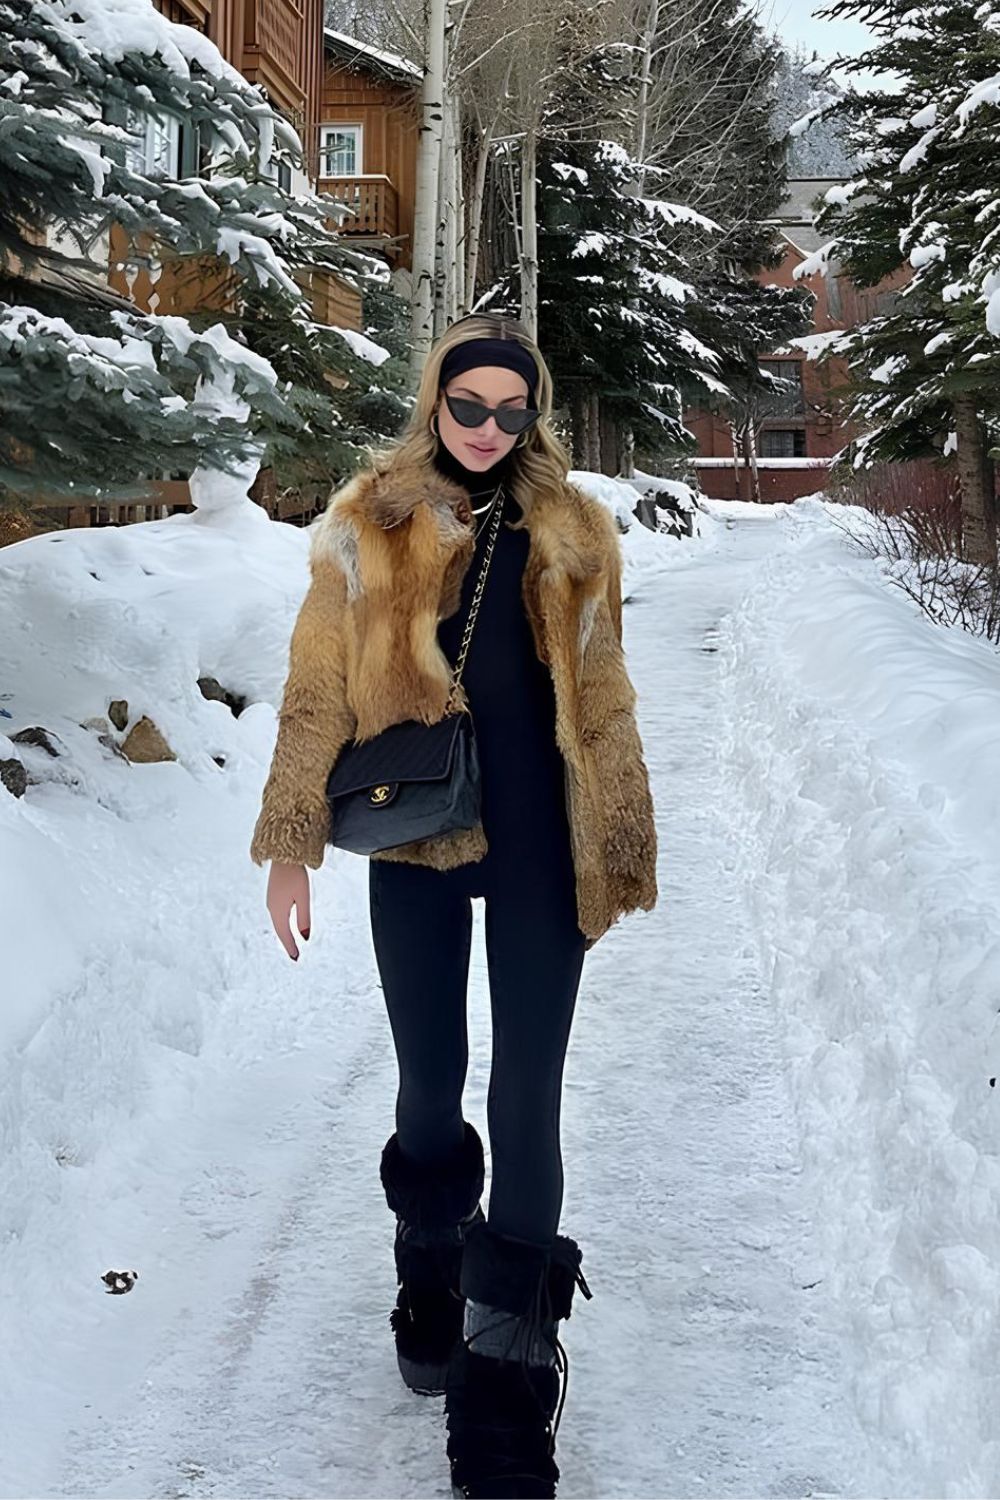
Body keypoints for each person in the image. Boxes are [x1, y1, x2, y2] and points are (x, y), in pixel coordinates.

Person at [249, 311, 658, 1498]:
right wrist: (290, 842)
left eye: (509, 409)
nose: (487, 428)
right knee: (429, 1079)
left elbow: (607, 690)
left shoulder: (576, 527)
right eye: (466, 405)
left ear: (532, 415)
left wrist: (621, 836)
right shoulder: (368, 519)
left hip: (544, 849)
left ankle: (504, 1391)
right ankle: (429, 1253)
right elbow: (314, 690)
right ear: (435, 403)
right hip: (417, 842)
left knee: (527, 1093)